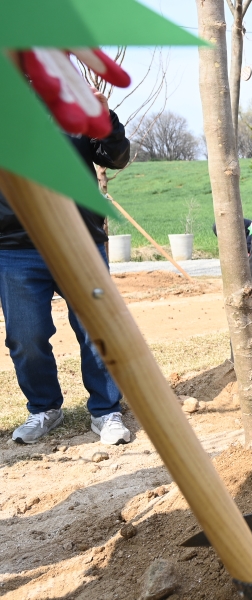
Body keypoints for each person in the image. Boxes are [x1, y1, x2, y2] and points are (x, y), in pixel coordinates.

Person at [0, 90, 133, 445]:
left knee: (97, 329)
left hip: (79, 241)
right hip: (15, 244)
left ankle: (106, 411)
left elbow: (117, 157)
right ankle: (44, 408)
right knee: (25, 338)